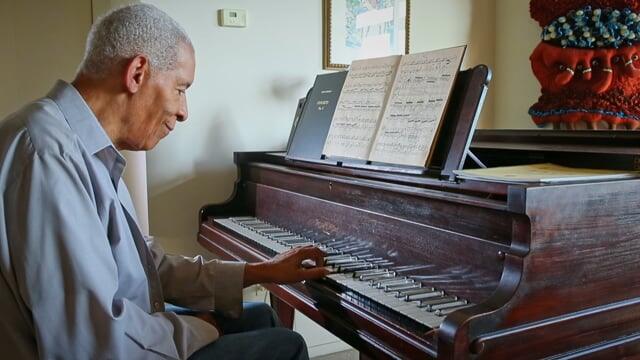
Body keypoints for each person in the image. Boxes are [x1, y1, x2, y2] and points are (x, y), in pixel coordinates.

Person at [0, 4, 328, 360]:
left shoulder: (83, 146)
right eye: (180, 88)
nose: (184, 111)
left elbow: (149, 267)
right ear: (138, 73)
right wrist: (200, 328)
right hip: (105, 347)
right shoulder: (50, 157)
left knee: (262, 315)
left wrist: (260, 271)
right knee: (286, 346)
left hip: (119, 331)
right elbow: (91, 343)